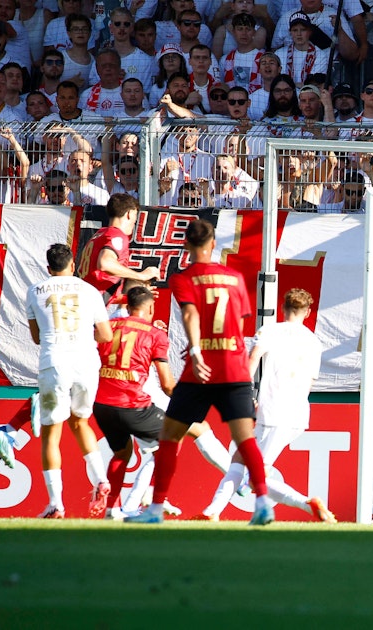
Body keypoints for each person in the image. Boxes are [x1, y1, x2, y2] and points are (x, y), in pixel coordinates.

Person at [125, 219, 274, 525]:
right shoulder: (233, 277)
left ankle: (154, 510)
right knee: (245, 439)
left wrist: (196, 348)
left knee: (169, 437)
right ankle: (262, 505)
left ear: (186, 246)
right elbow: (240, 322)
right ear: (212, 243)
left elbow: (191, 313)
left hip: (200, 370)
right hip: (233, 367)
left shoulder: (184, 278)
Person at [195, 288, 336, 523]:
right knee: (240, 458)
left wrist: (245, 394)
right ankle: (212, 511)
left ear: (283, 308)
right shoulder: (314, 341)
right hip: (298, 414)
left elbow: (251, 361)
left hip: (272, 411)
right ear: (308, 312)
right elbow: (310, 382)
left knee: (254, 474)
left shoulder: (270, 330)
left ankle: (307, 503)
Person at [25, 244, 113, 518]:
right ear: (73, 266)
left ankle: (56, 504)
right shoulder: (89, 290)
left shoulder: (35, 291)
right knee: (81, 422)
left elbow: (37, 337)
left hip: (55, 362)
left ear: (48, 269)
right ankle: (101, 480)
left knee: (52, 435)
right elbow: (106, 335)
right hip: (86, 362)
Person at [92, 285, 175, 521]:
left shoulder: (107, 326)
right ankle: (153, 501)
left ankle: (111, 510)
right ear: (150, 307)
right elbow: (168, 385)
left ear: (126, 307)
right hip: (131, 404)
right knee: (171, 439)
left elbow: (98, 312)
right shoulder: (155, 334)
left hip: (102, 405)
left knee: (121, 453)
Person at [76, 193, 161, 307]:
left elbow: (102, 291)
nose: (135, 221)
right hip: (88, 309)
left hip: (84, 304)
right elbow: (105, 263)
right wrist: (141, 276)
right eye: (136, 215)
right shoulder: (117, 236)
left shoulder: (100, 234)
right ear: (129, 214)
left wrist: (136, 298)